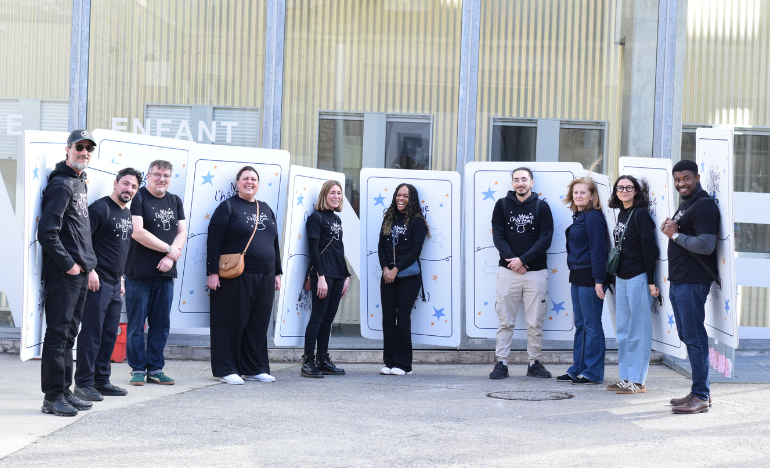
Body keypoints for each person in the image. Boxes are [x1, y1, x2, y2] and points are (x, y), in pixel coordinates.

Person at [38, 129, 99, 416]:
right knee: (58, 333)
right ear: (68, 149)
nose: (84, 152)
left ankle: (64, 390)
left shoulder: (79, 183)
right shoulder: (62, 184)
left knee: (69, 334)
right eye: (80, 147)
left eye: (89, 149)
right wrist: (70, 265)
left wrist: (87, 267)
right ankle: (52, 397)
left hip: (80, 273)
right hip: (65, 274)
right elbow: (47, 233)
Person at [206, 166, 282, 385]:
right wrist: (212, 272)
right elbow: (214, 241)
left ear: (258, 184)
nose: (250, 182)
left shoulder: (265, 208)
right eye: (245, 178)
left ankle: (254, 368)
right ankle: (226, 369)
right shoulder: (227, 207)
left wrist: (277, 272)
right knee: (229, 322)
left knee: (258, 324)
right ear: (237, 183)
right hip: (235, 276)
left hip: (265, 276)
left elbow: (274, 243)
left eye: (254, 179)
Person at [74, 168, 143, 402]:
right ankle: (83, 383)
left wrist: (122, 278)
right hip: (96, 282)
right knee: (91, 334)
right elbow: (82, 241)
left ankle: (101, 380)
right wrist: (90, 270)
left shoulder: (126, 213)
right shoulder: (101, 208)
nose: (129, 189)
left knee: (109, 335)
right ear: (115, 184)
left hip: (115, 283)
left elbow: (120, 250)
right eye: (125, 184)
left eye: (133, 187)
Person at [661, 159, 720, 414]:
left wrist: (674, 234)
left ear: (697, 178)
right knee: (688, 335)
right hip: (680, 279)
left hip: (693, 280)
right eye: (677, 180)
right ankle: (698, 390)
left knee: (695, 338)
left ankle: (701, 396)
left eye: (686, 178)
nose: (681, 184)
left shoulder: (704, 206)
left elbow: (706, 245)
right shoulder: (688, 204)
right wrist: (672, 229)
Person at [125, 160, 187, 386]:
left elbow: (182, 231)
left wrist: (170, 256)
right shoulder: (138, 197)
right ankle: (138, 370)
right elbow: (137, 232)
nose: (162, 179)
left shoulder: (175, 200)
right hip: (138, 272)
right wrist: (169, 249)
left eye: (166, 176)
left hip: (166, 272)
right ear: (148, 176)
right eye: (158, 174)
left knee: (161, 324)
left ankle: (156, 369)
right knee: (136, 324)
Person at [489, 167, 554, 380]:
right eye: (516, 180)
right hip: (507, 271)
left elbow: (546, 238)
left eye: (524, 179)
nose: (520, 183)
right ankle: (501, 363)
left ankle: (534, 363)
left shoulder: (541, 207)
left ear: (532, 182)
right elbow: (498, 237)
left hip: (536, 272)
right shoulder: (502, 205)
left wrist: (523, 260)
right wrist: (514, 263)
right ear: (512, 183)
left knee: (535, 321)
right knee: (505, 320)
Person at [604, 175, 660, 394]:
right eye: (620, 187)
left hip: (638, 277)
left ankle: (638, 381)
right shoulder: (622, 213)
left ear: (636, 191)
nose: (624, 190)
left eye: (629, 187)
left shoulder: (641, 214)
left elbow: (650, 249)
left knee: (638, 329)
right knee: (623, 330)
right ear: (616, 192)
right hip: (622, 277)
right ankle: (625, 377)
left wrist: (651, 281)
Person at [557, 177, 608, 385]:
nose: (578, 196)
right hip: (577, 276)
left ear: (592, 196)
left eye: (583, 192)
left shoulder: (593, 217)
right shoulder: (579, 217)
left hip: (590, 277)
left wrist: (599, 280)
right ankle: (577, 368)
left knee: (592, 325)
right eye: (575, 192)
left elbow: (598, 250)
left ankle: (593, 373)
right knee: (580, 325)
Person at [377, 183, 429, 375]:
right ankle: (389, 362)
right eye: (399, 195)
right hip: (387, 275)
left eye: (406, 196)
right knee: (388, 318)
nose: (401, 199)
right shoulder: (389, 218)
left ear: (412, 199)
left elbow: (415, 251)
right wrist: (385, 269)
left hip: (408, 277)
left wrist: (395, 270)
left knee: (402, 317)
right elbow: (381, 246)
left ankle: (403, 365)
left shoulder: (417, 221)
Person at [301, 180, 351, 378]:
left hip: (338, 273)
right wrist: (320, 277)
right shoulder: (316, 217)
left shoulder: (337, 219)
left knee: (328, 319)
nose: (336, 196)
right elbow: (313, 250)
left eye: (339, 193)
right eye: (332, 192)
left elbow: (339, 249)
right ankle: (307, 362)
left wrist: (346, 275)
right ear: (324, 195)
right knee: (317, 317)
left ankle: (322, 360)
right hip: (324, 274)